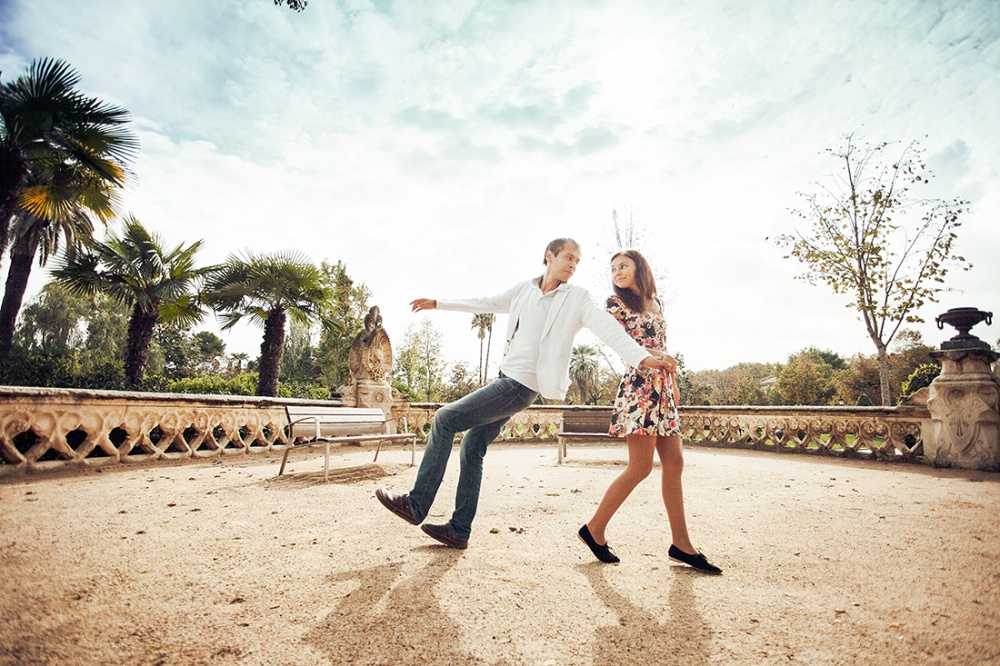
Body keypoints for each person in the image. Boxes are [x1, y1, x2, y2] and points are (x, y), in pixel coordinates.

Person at [375, 238, 677, 549]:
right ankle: (458, 530)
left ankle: (416, 504)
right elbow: (485, 303)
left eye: (577, 261)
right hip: (506, 378)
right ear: (550, 256)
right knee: (472, 445)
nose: (573, 265)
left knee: (444, 419)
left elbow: (608, 329)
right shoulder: (523, 290)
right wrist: (439, 303)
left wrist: (642, 357)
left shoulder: (577, 298)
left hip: (519, 386)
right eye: (569, 257)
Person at [577, 249, 722, 575]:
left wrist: (672, 382)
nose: (617, 272)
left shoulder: (657, 303)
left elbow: (663, 346)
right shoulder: (616, 305)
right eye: (613, 268)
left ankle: (681, 544)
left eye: (623, 265)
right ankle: (594, 528)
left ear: (639, 268)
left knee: (675, 462)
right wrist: (654, 356)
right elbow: (616, 341)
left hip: (663, 388)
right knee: (640, 466)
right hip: (640, 387)